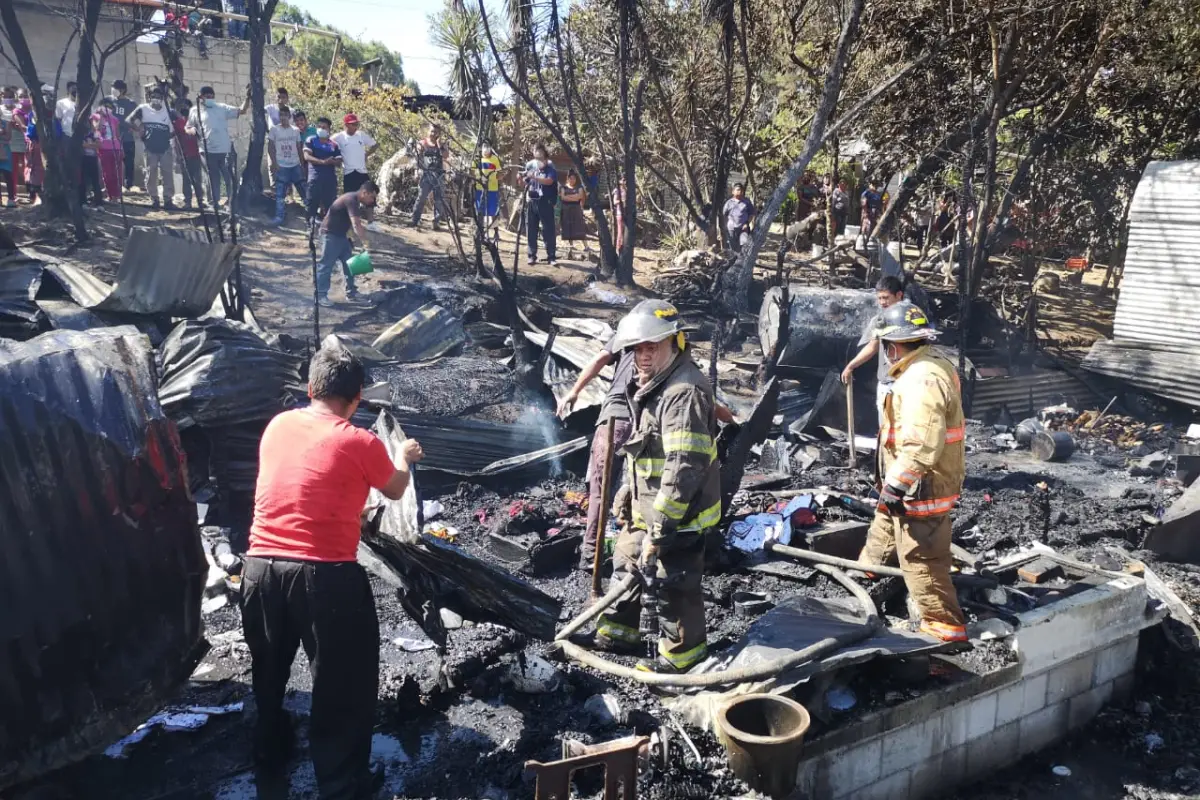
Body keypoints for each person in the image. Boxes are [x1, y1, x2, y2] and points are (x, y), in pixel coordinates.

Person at [242, 344, 424, 798]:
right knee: (343, 684)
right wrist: (404, 455)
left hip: (259, 567)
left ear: (310, 388)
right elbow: (396, 490)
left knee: (268, 670)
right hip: (324, 577)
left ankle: (269, 752)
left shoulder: (277, 425)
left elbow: (306, 484)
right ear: (357, 397)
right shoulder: (358, 441)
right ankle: (343, 786)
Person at [587, 300, 721, 674]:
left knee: (671, 582)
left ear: (675, 343)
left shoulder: (683, 392)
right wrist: (628, 493)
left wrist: (661, 529)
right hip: (648, 506)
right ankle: (618, 632)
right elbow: (648, 451)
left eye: (652, 347)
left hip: (680, 513)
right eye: (637, 349)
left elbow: (683, 468)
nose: (642, 357)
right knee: (627, 559)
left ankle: (681, 659)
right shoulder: (653, 384)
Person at [858, 300, 967, 643]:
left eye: (886, 346)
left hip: (921, 487)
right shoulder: (926, 366)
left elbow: (921, 443)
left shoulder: (921, 379)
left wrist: (897, 485)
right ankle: (866, 576)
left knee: (922, 557)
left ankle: (943, 628)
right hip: (905, 483)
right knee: (884, 526)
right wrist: (890, 488)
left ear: (893, 345)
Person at [840, 276, 906, 426]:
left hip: (909, 381)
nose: (882, 302)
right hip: (887, 381)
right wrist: (851, 366)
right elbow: (872, 346)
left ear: (899, 295)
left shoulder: (913, 317)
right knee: (885, 427)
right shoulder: (880, 320)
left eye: (886, 298)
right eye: (880, 298)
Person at [186, 84, 250, 208]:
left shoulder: (221, 108)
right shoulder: (195, 110)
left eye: (212, 96)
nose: (210, 98)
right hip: (207, 150)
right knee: (212, 178)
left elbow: (241, 111)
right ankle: (213, 203)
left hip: (225, 150)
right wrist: (192, 130)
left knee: (229, 177)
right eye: (207, 96)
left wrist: (248, 98)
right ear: (201, 97)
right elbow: (187, 127)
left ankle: (232, 202)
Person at [317, 180, 377, 306]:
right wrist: (365, 243)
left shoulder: (355, 201)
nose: (372, 201)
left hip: (341, 236)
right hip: (330, 235)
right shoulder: (351, 199)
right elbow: (356, 223)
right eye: (372, 197)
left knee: (351, 264)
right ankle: (320, 296)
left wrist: (351, 237)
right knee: (326, 266)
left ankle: (352, 292)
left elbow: (348, 221)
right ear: (365, 193)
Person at [127, 87, 176, 210]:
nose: (156, 99)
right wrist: (141, 128)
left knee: (167, 174)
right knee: (151, 174)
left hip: (165, 147)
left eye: (159, 97)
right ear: (149, 97)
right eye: (154, 96)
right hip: (149, 148)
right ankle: (154, 199)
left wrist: (165, 136)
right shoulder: (143, 109)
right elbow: (130, 120)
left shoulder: (169, 111)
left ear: (163, 99)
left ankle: (168, 200)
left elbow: (175, 129)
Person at [267, 104, 304, 225]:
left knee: (304, 191)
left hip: (295, 165)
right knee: (280, 194)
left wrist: (302, 164)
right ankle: (279, 217)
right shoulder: (274, 130)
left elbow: (299, 148)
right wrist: (274, 162)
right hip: (281, 166)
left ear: (289, 116)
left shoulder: (295, 130)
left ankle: (312, 216)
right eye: (281, 115)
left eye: (285, 115)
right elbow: (270, 147)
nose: (283, 117)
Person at [524, 143, 558, 266]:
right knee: (531, 228)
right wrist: (521, 179)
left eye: (540, 151)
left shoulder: (550, 165)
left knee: (548, 229)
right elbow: (526, 181)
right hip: (532, 200)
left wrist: (535, 177)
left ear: (544, 153)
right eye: (535, 150)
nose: (538, 154)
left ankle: (551, 256)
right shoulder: (529, 165)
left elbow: (550, 181)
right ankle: (531, 255)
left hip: (546, 201)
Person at [304, 116, 342, 224]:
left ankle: (327, 228)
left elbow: (339, 161)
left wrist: (332, 161)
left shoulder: (334, 145)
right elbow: (307, 157)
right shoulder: (311, 140)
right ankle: (309, 228)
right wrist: (323, 162)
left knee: (330, 206)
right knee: (311, 205)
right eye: (319, 126)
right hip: (314, 179)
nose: (321, 129)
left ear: (329, 130)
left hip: (329, 180)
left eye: (324, 127)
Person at [409, 124, 448, 230]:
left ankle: (436, 222)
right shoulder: (422, 143)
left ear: (439, 133)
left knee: (439, 200)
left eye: (436, 132)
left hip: (439, 175)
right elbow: (417, 158)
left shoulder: (442, 144)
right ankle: (415, 220)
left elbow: (445, 156)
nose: (433, 134)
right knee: (421, 197)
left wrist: (440, 146)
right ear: (428, 131)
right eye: (432, 131)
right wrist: (416, 171)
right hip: (426, 174)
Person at [332, 113, 376, 194]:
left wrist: (366, 154)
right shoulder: (339, 137)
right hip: (349, 172)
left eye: (357, 124)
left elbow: (375, 145)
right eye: (353, 124)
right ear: (346, 125)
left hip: (362, 171)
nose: (356, 126)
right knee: (350, 199)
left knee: (369, 197)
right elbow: (328, 144)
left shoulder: (361, 135)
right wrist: (337, 157)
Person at [173, 98, 204, 210]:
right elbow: (175, 139)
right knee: (186, 180)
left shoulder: (197, 121)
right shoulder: (177, 123)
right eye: (182, 107)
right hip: (184, 155)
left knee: (197, 179)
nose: (184, 108)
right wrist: (178, 155)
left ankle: (200, 201)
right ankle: (188, 202)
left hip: (196, 154)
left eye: (187, 106)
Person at [91, 98, 124, 201]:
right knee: (107, 173)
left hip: (116, 148)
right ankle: (110, 194)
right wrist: (101, 117)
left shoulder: (114, 119)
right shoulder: (95, 117)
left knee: (117, 173)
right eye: (106, 106)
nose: (108, 109)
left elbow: (117, 135)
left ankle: (117, 195)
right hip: (104, 148)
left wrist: (121, 148)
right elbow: (97, 129)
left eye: (110, 107)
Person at [110, 80, 138, 191]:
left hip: (127, 138)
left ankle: (129, 185)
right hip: (111, 139)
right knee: (113, 163)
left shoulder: (131, 104)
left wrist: (134, 127)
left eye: (115, 88)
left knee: (129, 163)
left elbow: (136, 120)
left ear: (122, 90)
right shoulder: (109, 102)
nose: (113, 90)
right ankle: (114, 186)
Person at [560, 169, 589, 258]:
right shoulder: (563, 187)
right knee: (569, 228)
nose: (572, 180)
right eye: (571, 178)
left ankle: (586, 246)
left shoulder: (579, 187)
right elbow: (563, 198)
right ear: (568, 179)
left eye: (574, 178)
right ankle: (571, 248)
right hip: (566, 209)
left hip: (576, 209)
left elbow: (580, 196)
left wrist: (569, 196)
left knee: (580, 227)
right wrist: (574, 197)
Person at [474, 140, 502, 230]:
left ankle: (495, 231)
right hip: (480, 188)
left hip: (492, 189)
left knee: (493, 210)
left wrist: (501, 176)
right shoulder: (477, 159)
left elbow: (499, 173)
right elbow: (472, 172)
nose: (486, 149)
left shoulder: (495, 159)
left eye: (487, 146)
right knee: (480, 210)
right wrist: (479, 178)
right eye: (484, 146)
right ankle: (480, 229)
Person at [24, 92, 45, 206]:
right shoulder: (33, 113)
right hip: (36, 143)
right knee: (35, 169)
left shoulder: (48, 113)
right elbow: (31, 131)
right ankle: (35, 195)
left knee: (41, 170)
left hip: (45, 144)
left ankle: (40, 195)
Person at [723, 182, 755, 249]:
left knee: (744, 244)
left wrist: (747, 223)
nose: (739, 191)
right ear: (733, 191)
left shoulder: (747, 202)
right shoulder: (729, 202)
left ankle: (742, 259)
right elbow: (724, 215)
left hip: (743, 228)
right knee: (733, 247)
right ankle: (734, 259)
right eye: (737, 190)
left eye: (741, 190)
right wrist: (725, 226)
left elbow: (751, 214)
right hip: (731, 229)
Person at [79, 123, 104, 207]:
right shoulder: (80, 134)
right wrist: (93, 145)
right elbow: (81, 145)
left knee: (95, 181)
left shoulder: (96, 133)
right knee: (83, 181)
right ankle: (83, 202)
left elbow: (99, 145)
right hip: (83, 158)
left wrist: (87, 145)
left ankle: (98, 203)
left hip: (93, 158)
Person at [610, 176, 627, 252]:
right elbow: (614, 202)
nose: (624, 182)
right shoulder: (617, 190)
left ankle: (624, 247)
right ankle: (617, 248)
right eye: (623, 180)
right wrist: (622, 201)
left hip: (627, 213)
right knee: (620, 231)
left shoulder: (627, 190)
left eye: (625, 180)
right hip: (620, 213)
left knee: (625, 232)